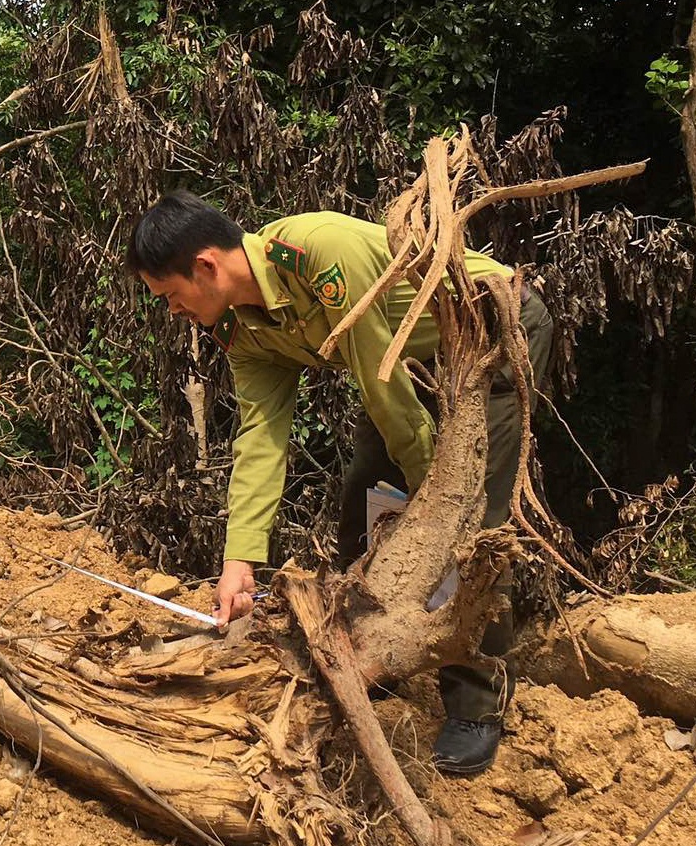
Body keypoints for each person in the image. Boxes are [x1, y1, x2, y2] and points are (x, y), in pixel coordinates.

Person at [126, 192, 553, 776]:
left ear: (206, 265)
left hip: (495, 329)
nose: (172, 310)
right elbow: (261, 436)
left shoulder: (316, 253)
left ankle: (477, 705)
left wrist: (436, 496)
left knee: (470, 526)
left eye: (170, 295)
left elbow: (382, 382)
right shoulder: (241, 328)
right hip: (408, 361)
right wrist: (240, 558)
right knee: (367, 503)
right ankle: (374, 658)